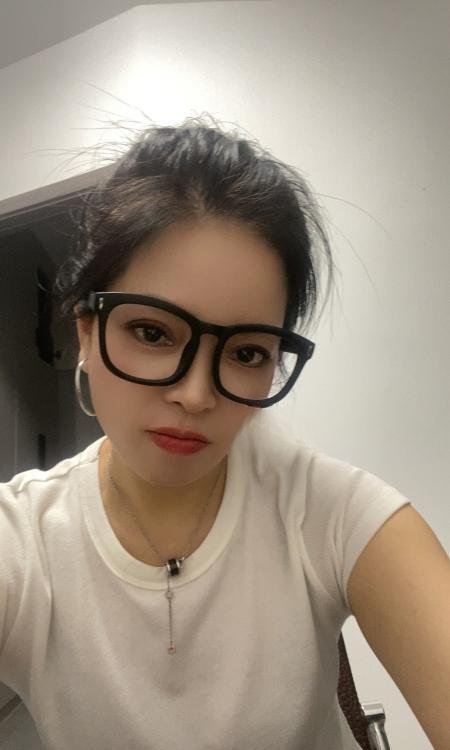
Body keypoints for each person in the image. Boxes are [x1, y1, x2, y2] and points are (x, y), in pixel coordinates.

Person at [0, 117, 413, 749]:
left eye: (246, 353)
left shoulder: (333, 513)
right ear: (86, 332)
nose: (196, 395)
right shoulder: (21, 543)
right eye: (152, 332)